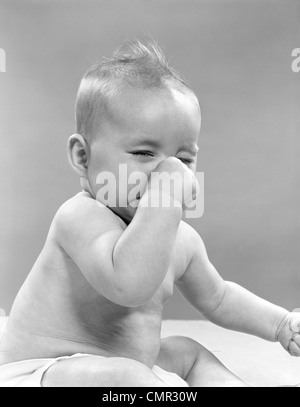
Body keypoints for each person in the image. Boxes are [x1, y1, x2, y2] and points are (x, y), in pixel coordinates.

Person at [0, 38, 299, 387]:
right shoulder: (79, 218)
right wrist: (166, 195)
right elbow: (129, 284)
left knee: (187, 352)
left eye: (183, 160)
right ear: (84, 158)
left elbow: (219, 297)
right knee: (125, 374)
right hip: (46, 370)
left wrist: (280, 324)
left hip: (128, 368)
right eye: (144, 153)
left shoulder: (180, 239)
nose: (167, 171)